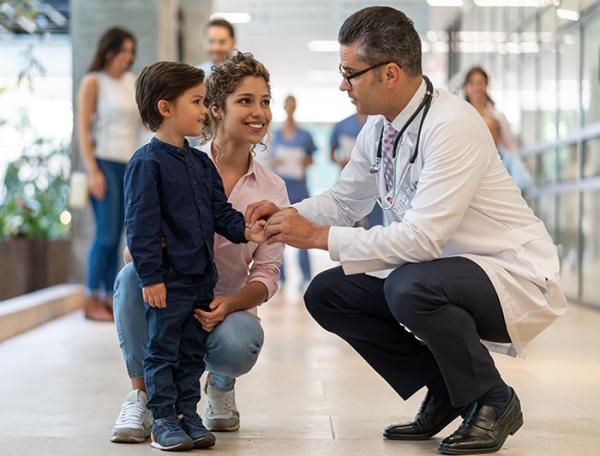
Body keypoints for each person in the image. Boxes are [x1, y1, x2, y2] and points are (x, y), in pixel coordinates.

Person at [246, 6, 567, 455]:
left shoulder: (452, 125)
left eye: (350, 73)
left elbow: (422, 239)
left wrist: (319, 238)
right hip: (440, 270)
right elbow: (344, 200)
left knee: (408, 286)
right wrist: (284, 214)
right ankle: (448, 389)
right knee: (328, 293)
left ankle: (494, 398)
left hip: (510, 273)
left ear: (390, 72)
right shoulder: (379, 128)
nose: (343, 85)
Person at [111, 53, 288, 446]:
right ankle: (153, 408)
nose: (259, 111)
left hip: (215, 295)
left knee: (193, 354)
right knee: (147, 312)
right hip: (169, 285)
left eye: (265, 101)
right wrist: (153, 271)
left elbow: (234, 230)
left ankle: (198, 405)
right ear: (214, 108)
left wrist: (250, 231)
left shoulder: (261, 184)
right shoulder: (151, 162)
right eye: (245, 101)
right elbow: (138, 232)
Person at [77, 26, 143, 321]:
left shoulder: (132, 81)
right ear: (108, 51)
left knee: (119, 236)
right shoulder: (94, 81)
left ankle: (106, 298)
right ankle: (91, 297)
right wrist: (92, 170)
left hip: (129, 165)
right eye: (122, 51)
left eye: (131, 51)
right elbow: (82, 130)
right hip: (103, 163)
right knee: (105, 235)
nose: (127, 57)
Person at [269, 95, 316, 288]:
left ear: (295, 107)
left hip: (299, 188)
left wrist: (304, 161)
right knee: (278, 233)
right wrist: (275, 162)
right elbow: (268, 159)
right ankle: (280, 277)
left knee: (303, 231)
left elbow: (312, 159)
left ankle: (305, 277)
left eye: (292, 105)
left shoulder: (305, 135)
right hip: (281, 188)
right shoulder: (275, 134)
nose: (289, 108)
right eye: (287, 104)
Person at [463, 66, 532, 192]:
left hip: (493, 170)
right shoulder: (461, 116)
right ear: (466, 88)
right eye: (472, 83)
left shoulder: (496, 117)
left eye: (480, 83)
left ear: (486, 86)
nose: (477, 87)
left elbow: (510, 146)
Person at [329, 111, 382, 227]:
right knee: (346, 226)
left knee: (374, 226)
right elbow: (331, 155)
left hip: (375, 185)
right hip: (349, 181)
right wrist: (341, 161)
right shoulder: (342, 125)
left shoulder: (380, 123)